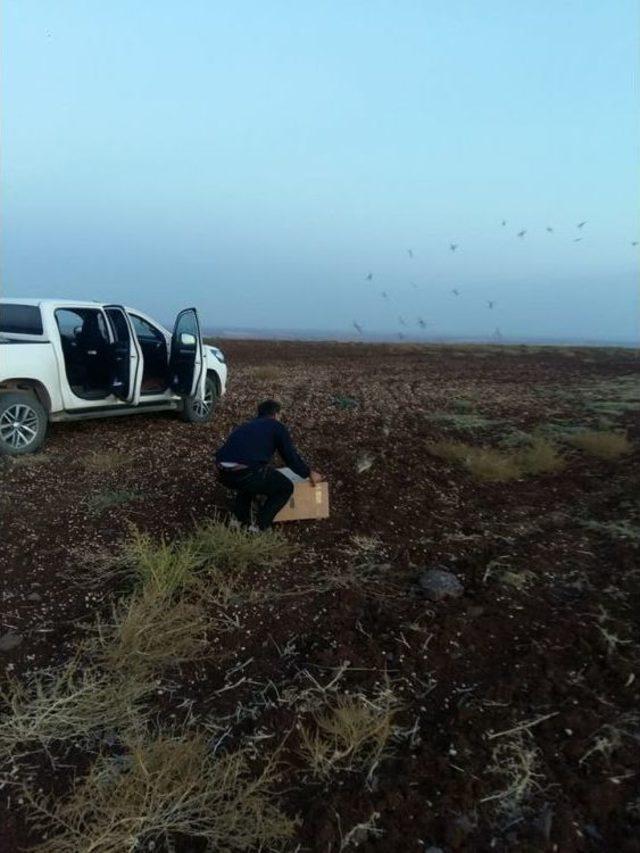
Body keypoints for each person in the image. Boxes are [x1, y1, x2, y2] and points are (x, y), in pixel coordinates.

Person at [216, 399, 324, 531]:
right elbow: (290, 457)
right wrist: (308, 473)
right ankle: (259, 527)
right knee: (285, 487)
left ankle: (238, 521)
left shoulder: (246, 426)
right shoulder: (276, 426)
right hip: (245, 472)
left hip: (223, 472)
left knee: (248, 482)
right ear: (276, 414)